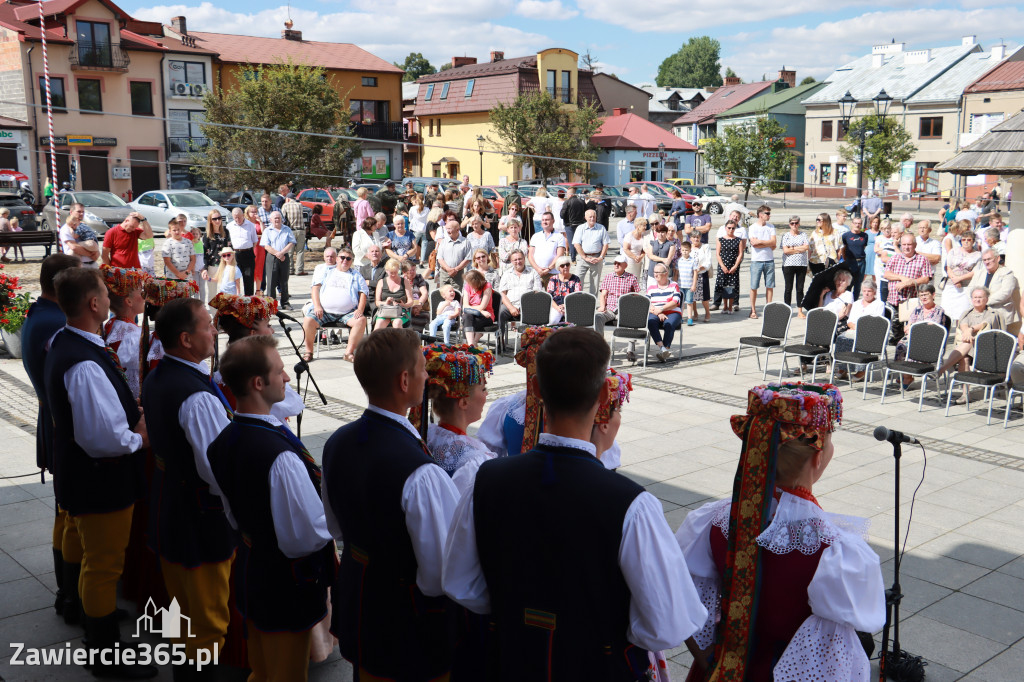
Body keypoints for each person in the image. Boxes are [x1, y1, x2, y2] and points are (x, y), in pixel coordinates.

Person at [443, 327, 707, 680]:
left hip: (508, 662)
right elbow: (668, 625)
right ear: (602, 393)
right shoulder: (631, 504)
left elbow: (461, 583)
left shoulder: (485, 480)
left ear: (535, 390)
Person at [677, 382, 884, 682]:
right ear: (818, 456)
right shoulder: (837, 550)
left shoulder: (714, 520)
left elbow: (686, 609)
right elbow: (832, 663)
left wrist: (716, 664)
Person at [322, 328, 461, 679]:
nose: (428, 375)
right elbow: (440, 573)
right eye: (422, 369)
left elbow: (336, 527)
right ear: (404, 380)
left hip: (360, 602)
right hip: (405, 624)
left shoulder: (337, 442)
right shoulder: (420, 473)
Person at [43, 267, 155, 679]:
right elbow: (103, 438)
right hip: (99, 477)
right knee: (103, 564)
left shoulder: (65, 340)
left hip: (76, 472)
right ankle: (104, 652)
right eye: (105, 294)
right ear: (93, 304)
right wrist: (139, 435)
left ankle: (77, 604)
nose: (110, 299)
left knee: (78, 540)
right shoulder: (84, 362)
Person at [208, 335, 335, 682]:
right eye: (280, 372)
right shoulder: (278, 456)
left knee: (262, 668)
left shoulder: (223, 440)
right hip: (285, 585)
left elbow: (233, 513)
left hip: (253, 568)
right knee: (286, 673)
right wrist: (339, 521)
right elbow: (304, 538)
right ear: (258, 383)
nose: (288, 378)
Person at [141, 298, 235, 674]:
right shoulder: (196, 396)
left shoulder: (160, 374)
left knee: (182, 616)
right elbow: (219, 469)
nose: (214, 331)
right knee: (209, 621)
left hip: (170, 508)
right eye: (206, 326)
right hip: (199, 518)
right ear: (186, 339)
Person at [21, 254, 79, 622]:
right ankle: (73, 597)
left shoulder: (41, 313)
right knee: (71, 516)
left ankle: (68, 592)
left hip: (52, 419)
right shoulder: (56, 322)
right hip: (61, 425)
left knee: (64, 512)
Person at [420, 343, 497, 486]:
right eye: (483, 389)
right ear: (463, 403)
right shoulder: (473, 458)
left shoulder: (426, 435)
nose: (486, 394)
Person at [937, 287, 1007, 402]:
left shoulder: (993, 313)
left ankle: (941, 369)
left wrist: (970, 330)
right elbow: (963, 324)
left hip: (987, 353)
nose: (977, 299)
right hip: (970, 351)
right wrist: (967, 331)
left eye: (980, 297)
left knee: (969, 342)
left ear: (986, 299)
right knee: (964, 358)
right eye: (975, 297)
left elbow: (985, 324)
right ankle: (965, 394)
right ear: (971, 299)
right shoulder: (967, 313)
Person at [302, 246, 368, 362]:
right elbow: (315, 289)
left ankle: (348, 353)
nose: (345, 261)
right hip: (324, 311)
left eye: (348, 259)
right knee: (308, 320)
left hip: (347, 313)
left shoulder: (356, 275)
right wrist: (317, 306)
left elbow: (363, 293)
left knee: (361, 320)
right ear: (337, 259)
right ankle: (308, 351)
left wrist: (360, 309)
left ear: (352, 261)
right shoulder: (327, 272)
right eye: (342, 257)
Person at [101, 265, 150, 399]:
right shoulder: (131, 335)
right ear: (129, 301)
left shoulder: (113, 324)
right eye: (141, 292)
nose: (145, 296)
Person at [496, 249, 542, 352]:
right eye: (515, 260)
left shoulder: (533, 272)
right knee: (500, 312)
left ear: (524, 258)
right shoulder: (507, 274)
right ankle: (500, 343)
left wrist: (525, 307)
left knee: (536, 312)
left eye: (520, 259)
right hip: (511, 306)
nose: (518, 261)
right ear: (511, 261)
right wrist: (511, 307)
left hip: (529, 306)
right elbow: (502, 294)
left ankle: (529, 344)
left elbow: (537, 292)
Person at [967, 249, 1020, 334]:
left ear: (998, 258)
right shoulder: (979, 273)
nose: (987, 262)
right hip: (979, 312)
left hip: (999, 312)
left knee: (997, 340)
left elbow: (1005, 292)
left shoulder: (1007, 273)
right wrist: (975, 302)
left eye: (989, 259)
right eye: (984, 260)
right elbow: (970, 289)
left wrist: (983, 302)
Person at [596, 254, 642, 337]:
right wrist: (603, 306)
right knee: (598, 317)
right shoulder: (608, 277)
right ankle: (599, 342)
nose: (616, 265)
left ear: (625, 265)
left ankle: (630, 348)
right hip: (610, 309)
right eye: (615, 263)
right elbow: (603, 295)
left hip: (625, 309)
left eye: (619, 263)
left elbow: (636, 296)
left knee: (635, 318)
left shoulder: (632, 278)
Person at [885, 233, 934, 309]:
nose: (906, 247)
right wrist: (901, 278)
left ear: (915, 245)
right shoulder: (894, 258)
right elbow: (887, 274)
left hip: (910, 303)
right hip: (893, 301)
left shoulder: (922, 260)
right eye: (904, 244)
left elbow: (926, 279)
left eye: (909, 244)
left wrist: (909, 283)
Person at [942, 230, 982, 322]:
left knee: (962, 314)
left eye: (969, 240)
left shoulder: (978, 255)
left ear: (973, 241)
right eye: (964, 240)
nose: (966, 242)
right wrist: (955, 280)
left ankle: (959, 335)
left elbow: (975, 272)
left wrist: (959, 279)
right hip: (950, 285)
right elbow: (948, 267)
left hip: (966, 287)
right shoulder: (953, 251)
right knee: (946, 313)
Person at [712, 210, 748, 310]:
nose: (735, 218)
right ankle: (717, 303)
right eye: (733, 215)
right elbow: (717, 249)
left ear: (739, 219)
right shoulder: (721, 229)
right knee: (720, 282)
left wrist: (736, 264)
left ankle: (735, 303)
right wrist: (722, 265)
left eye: (737, 216)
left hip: (735, 259)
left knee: (734, 282)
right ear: (729, 216)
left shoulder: (742, 230)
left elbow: (743, 246)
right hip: (723, 260)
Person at [648, 264, 683, 362]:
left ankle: (665, 350)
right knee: (650, 321)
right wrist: (658, 313)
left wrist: (662, 309)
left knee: (669, 324)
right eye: (654, 272)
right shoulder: (651, 287)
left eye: (658, 272)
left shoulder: (674, 285)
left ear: (666, 273)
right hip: (655, 312)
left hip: (672, 312)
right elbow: (647, 303)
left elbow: (675, 302)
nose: (655, 275)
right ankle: (662, 348)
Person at [261, 211, 296, 309]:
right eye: (275, 218)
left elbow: (291, 242)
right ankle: (271, 304)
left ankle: (285, 303)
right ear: (270, 220)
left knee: (284, 280)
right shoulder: (267, 230)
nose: (277, 220)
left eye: (278, 218)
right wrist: (277, 254)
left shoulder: (287, 229)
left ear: (281, 219)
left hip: (284, 256)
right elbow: (266, 246)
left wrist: (282, 253)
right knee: (271, 281)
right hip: (272, 257)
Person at [747, 205, 777, 318]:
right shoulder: (753, 227)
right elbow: (754, 244)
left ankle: (768, 309)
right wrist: (767, 243)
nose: (769, 215)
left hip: (769, 260)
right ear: (760, 214)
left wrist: (761, 242)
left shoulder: (771, 227)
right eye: (767, 213)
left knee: (770, 286)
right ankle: (753, 310)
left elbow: (774, 242)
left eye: (769, 213)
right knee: (754, 286)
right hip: (756, 261)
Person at [573, 208, 610, 295]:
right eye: (590, 217)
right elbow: (576, 244)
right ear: (585, 217)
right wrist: (584, 257)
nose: (592, 219)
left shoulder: (601, 228)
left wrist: (601, 257)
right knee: (578, 280)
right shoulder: (580, 228)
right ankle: (577, 300)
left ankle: (592, 302)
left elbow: (606, 244)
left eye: (594, 217)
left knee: (595, 282)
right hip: (582, 257)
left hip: (596, 257)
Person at [373, 258, 413, 331]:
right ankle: (377, 342)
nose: (393, 274)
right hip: (385, 310)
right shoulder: (381, 282)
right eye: (391, 272)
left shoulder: (404, 282)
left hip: (400, 311)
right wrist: (386, 303)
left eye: (395, 272)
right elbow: (377, 302)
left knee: (397, 323)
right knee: (379, 324)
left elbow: (411, 301)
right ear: (386, 271)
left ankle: (398, 342)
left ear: (398, 270)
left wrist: (403, 305)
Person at [781, 216, 810, 316]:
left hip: (801, 264)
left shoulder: (803, 235)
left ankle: (800, 310)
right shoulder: (786, 235)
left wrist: (792, 248)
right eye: (792, 223)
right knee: (788, 288)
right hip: (788, 264)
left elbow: (806, 247)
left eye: (796, 223)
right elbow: (785, 250)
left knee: (800, 288)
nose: (794, 225)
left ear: (799, 224)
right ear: (789, 224)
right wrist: (799, 248)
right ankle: (787, 310)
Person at [226, 208, 258, 295]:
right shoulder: (229, 226)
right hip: (235, 254)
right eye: (235, 217)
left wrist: (248, 248)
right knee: (233, 278)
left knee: (248, 278)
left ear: (243, 215)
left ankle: (249, 299)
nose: (237, 220)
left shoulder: (250, 225)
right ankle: (235, 298)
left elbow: (255, 241)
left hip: (248, 254)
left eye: (239, 217)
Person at [528, 211, 566, 285]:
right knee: (536, 296)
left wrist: (548, 269)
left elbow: (559, 255)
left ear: (553, 221)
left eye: (547, 220)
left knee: (552, 296)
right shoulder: (535, 236)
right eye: (543, 220)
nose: (544, 222)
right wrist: (538, 269)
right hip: (537, 273)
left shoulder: (559, 236)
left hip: (553, 273)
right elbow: (530, 255)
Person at [715, 220, 743, 315]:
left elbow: (740, 254)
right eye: (729, 228)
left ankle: (730, 306)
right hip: (723, 265)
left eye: (733, 228)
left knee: (732, 286)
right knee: (723, 285)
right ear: (725, 228)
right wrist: (722, 266)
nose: (731, 230)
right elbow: (718, 254)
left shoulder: (738, 240)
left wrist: (735, 266)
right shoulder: (720, 239)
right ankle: (725, 306)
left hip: (733, 266)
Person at [462, 268, 495, 346]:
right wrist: (480, 311)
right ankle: (472, 344)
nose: (468, 284)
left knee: (467, 321)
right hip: (476, 314)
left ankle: (470, 344)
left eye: (470, 283)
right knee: (467, 317)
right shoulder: (467, 286)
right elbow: (465, 305)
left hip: (486, 316)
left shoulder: (487, 286)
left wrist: (480, 310)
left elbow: (483, 306)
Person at [437, 219, 472, 289]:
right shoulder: (444, 242)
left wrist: (456, 269)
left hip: (458, 274)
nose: (447, 231)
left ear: (457, 229)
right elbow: (440, 258)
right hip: (444, 273)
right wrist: (448, 269)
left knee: (457, 294)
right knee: (443, 294)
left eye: (450, 229)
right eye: (447, 229)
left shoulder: (465, 242)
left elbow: (468, 259)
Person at [546, 255, 582, 324]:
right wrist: (558, 308)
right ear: (558, 268)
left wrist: (566, 306)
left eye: (567, 265)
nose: (565, 267)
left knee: (573, 324)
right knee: (552, 321)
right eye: (562, 266)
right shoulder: (553, 279)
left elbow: (577, 296)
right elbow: (549, 297)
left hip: (571, 306)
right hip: (556, 306)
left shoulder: (575, 279)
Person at [842, 216, 870, 300]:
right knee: (848, 284)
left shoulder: (865, 235)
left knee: (858, 285)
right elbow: (843, 249)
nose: (857, 225)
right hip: (850, 262)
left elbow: (863, 247)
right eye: (855, 223)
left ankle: (855, 302)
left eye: (859, 223)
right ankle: (847, 303)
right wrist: (845, 260)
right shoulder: (846, 235)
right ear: (852, 224)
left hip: (861, 262)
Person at [282, 194, 307, 275]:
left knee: (290, 252)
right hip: (301, 230)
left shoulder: (285, 205)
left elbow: (283, 217)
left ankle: (290, 269)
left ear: (288, 199)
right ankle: (299, 270)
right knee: (300, 251)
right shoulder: (300, 205)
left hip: (290, 230)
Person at [560, 186, 587, 262]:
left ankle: (573, 259)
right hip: (580, 224)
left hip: (569, 224)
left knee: (571, 242)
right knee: (580, 241)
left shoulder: (567, 202)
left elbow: (562, 215)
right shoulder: (581, 201)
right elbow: (585, 212)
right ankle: (582, 256)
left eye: (567, 194)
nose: (566, 196)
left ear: (570, 194)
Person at [677, 239, 700, 326]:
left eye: (686, 250)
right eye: (683, 250)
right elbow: (676, 273)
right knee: (681, 303)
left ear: (690, 250)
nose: (684, 252)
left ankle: (690, 318)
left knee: (689, 302)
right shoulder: (679, 261)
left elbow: (695, 273)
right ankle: (681, 317)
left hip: (689, 285)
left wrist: (694, 284)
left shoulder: (693, 260)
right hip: (680, 285)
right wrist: (675, 284)